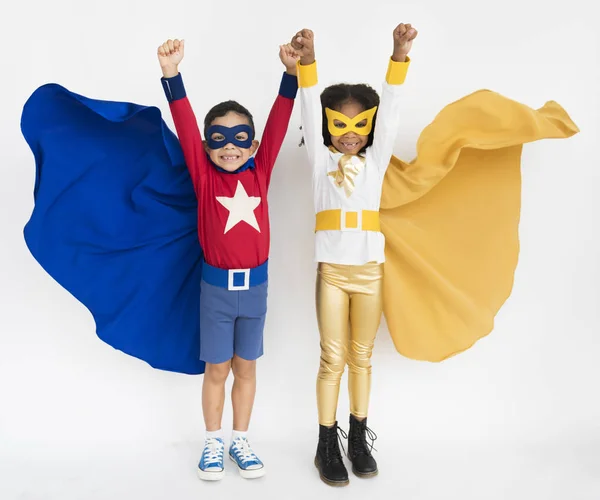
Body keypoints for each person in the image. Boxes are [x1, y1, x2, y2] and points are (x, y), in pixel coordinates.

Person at [291, 22, 579, 487]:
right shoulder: (320, 164)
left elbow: (394, 109)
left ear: (370, 127)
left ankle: (359, 437)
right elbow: (307, 108)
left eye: (359, 124)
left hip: (370, 272)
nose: (349, 133)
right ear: (326, 125)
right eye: (339, 123)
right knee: (332, 358)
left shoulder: (376, 160)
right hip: (332, 272)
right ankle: (327, 441)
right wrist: (308, 64)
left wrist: (399, 55)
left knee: (363, 357)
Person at [157, 38, 299, 480]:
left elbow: (278, 124)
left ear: (253, 145)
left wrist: (291, 75)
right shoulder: (204, 176)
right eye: (219, 139)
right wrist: (171, 75)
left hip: (255, 289)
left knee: (247, 367)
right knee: (217, 368)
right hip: (216, 290)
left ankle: (241, 439)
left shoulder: (260, 169)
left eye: (240, 139)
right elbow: (183, 124)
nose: (230, 147)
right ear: (206, 145)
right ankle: (213, 442)